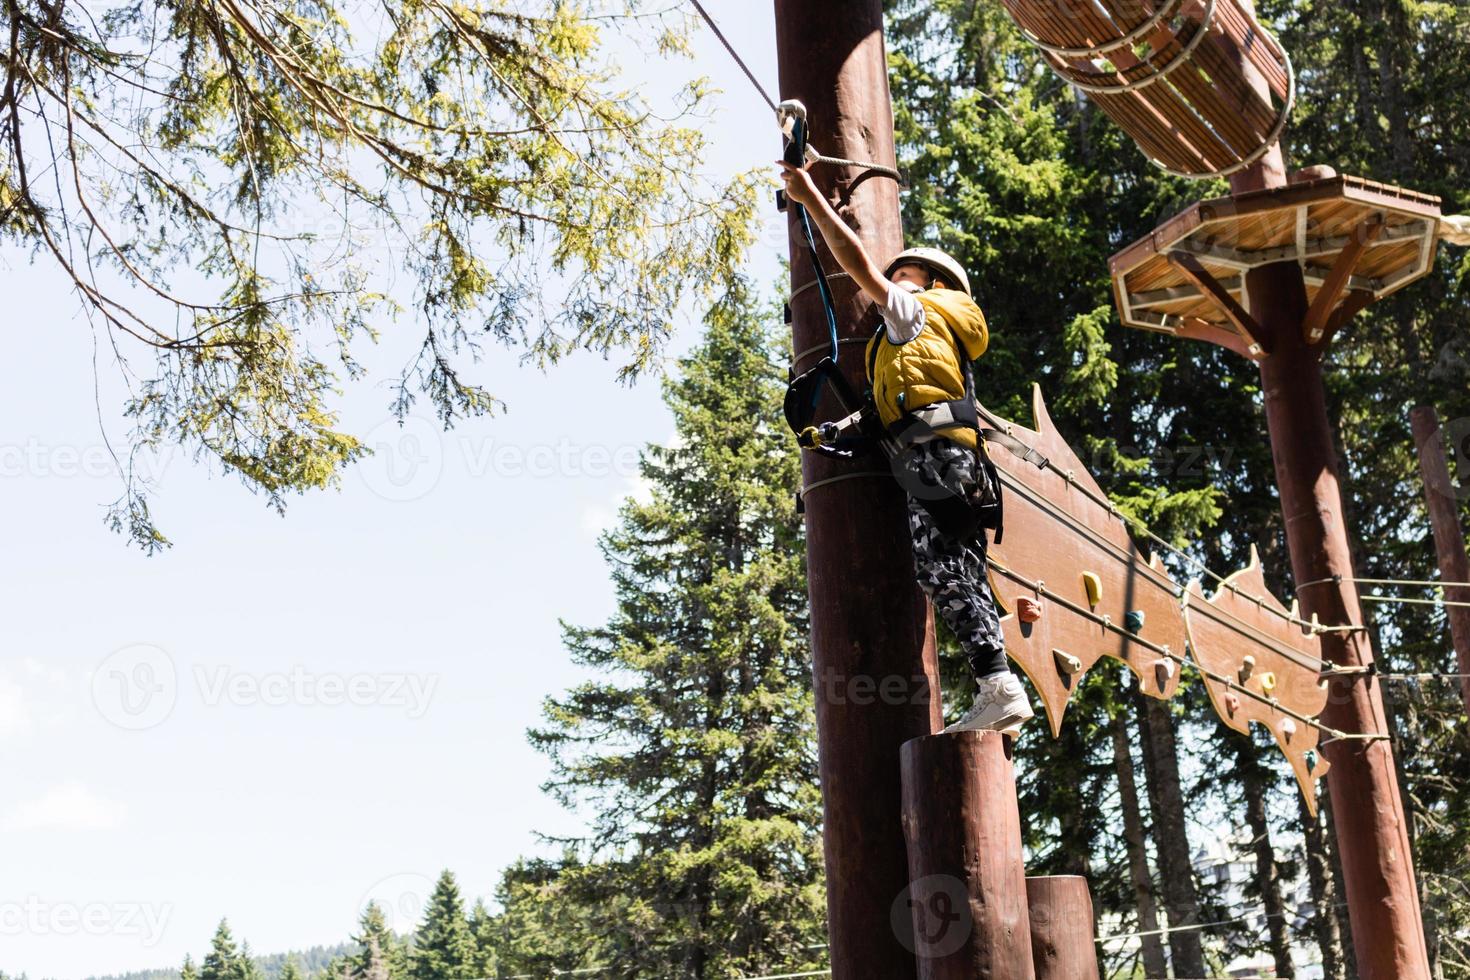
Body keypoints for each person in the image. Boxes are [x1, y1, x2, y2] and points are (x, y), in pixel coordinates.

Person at [778, 159, 1034, 735]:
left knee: (939, 566)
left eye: (906, 273)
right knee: (956, 566)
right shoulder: (933, 344)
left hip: (932, 459)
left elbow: (859, 266)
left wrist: (810, 198)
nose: (891, 284)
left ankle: (998, 686)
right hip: (947, 459)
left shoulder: (915, 310)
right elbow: (891, 408)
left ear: (934, 284)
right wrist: (836, 431)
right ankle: (998, 692)